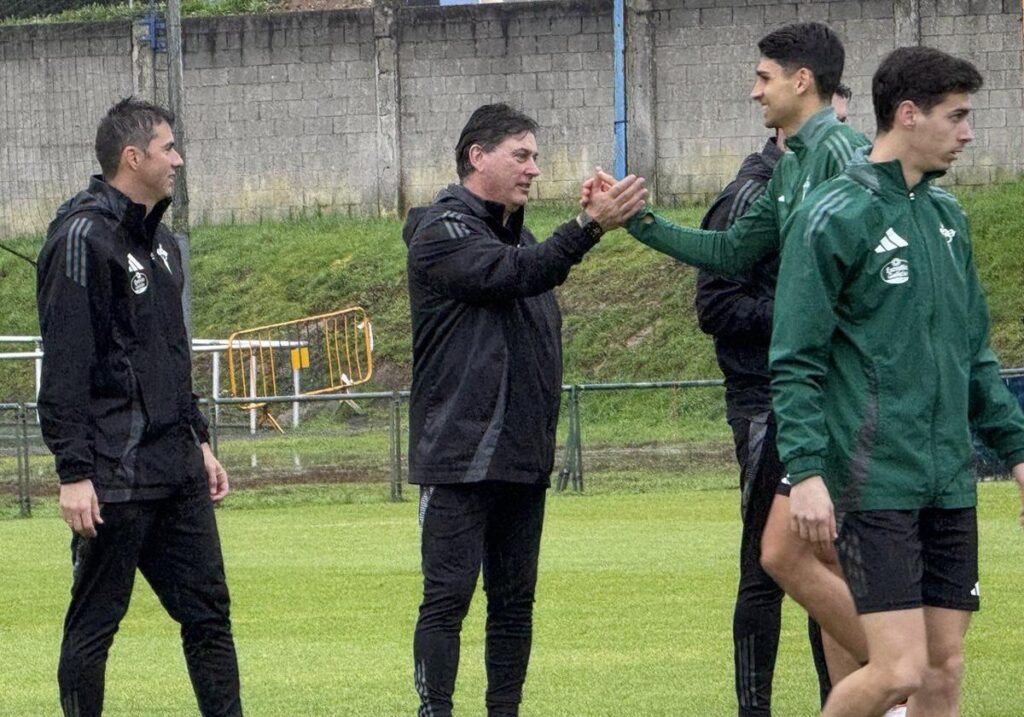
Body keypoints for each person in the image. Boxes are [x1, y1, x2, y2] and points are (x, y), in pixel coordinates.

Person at [593, 20, 876, 676]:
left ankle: (906, 674)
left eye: (763, 77)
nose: (754, 92)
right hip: (817, 396)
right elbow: (729, 251)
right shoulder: (794, 166)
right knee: (809, 556)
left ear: (802, 81)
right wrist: (638, 221)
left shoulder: (843, 154)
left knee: (793, 554)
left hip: (853, 397)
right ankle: (878, 689)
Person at [771, 46, 1024, 716]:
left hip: (948, 478)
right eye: (957, 115)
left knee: (943, 669)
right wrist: (806, 469)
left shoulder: (947, 218)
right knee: (898, 668)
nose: (969, 132)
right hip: (873, 479)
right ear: (907, 115)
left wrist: (1018, 449)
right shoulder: (833, 213)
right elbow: (796, 357)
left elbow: (974, 354)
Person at [403, 103, 646, 717]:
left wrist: (578, 226)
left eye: (536, 156)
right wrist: (587, 226)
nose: (534, 168)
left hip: (520, 454)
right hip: (458, 455)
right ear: (476, 156)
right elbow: (512, 274)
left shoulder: (524, 240)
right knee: (448, 599)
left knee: (514, 603)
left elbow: (530, 270)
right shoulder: (441, 232)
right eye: (521, 154)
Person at [36, 98, 242, 717]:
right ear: (133, 157)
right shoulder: (81, 238)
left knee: (209, 615)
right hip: (113, 475)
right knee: (95, 625)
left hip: (176, 468)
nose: (178, 159)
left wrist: (200, 439)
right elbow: (66, 366)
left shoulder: (165, 246)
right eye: (168, 147)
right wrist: (73, 472)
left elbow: (169, 358)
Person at [694, 125, 834, 714]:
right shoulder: (748, 196)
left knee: (828, 560)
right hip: (763, 402)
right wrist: (803, 313)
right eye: (831, 127)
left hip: (828, 401)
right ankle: (755, 707)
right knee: (765, 566)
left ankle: (844, 699)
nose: (840, 142)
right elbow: (715, 306)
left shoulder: (826, 196)